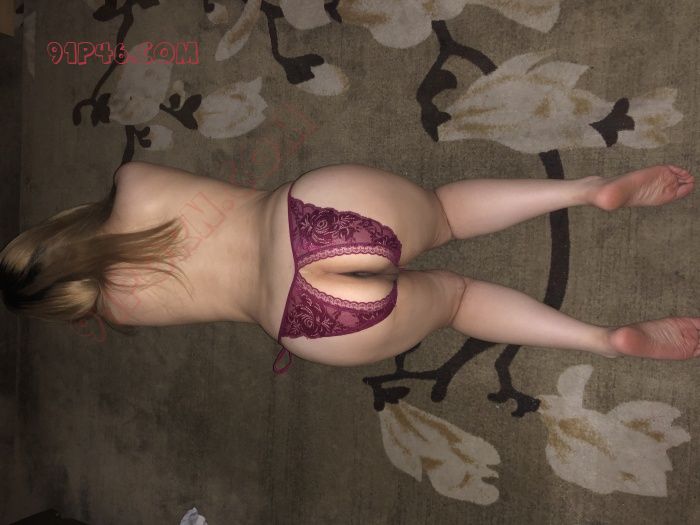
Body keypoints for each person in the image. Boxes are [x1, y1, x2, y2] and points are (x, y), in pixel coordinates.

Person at [1, 161, 697, 375]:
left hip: (310, 322)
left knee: (456, 301)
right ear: (49, 231)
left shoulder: (119, 310)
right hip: (314, 216)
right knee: (443, 213)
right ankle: (586, 191)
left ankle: (602, 340)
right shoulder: (131, 183)